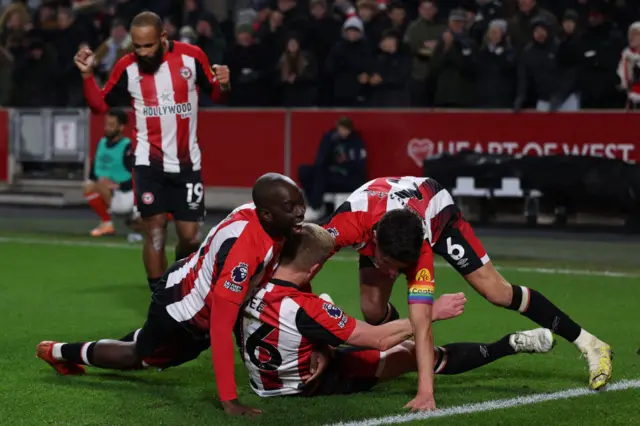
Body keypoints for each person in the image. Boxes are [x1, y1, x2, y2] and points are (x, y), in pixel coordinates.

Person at [322, 176, 612, 411]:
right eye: (386, 264)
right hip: (381, 212)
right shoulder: (344, 226)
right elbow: (301, 263)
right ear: (373, 241)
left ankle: (590, 343)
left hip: (435, 212)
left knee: (497, 292)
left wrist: (426, 391)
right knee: (372, 310)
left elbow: (422, 322)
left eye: (397, 269)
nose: (389, 273)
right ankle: (402, 349)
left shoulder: (419, 247)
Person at [36, 173, 305, 417]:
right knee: (138, 357)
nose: (301, 211)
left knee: (147, 341)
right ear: (267, 214)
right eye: (290, 207)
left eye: (300, 202)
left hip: (190, 286)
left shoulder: (264, 217)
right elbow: (220, 328)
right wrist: (230, 401)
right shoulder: (242, 255)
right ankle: (57, 351)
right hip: (181, 312)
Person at [239, 223, 555, 398]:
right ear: (311, 269)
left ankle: (324, 344)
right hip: (307, 385)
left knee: (331, 313)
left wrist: (319, 344)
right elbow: (377, 339)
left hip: (265, 380)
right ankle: (510, 344)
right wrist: (433, 312)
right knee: (417, 355)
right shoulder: (307, 308)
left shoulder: (258, 280)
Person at [74, 11, 231, 292]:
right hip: (149, 162)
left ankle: (183, 287)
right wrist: (87, 76)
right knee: (155, 232)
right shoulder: (127, 67)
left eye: (148, 45)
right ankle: (161, 300)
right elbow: (100, 106)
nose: (143, 52)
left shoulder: (192, 57)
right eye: (137, 46)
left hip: (187, 163)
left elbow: (217, 94)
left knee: (191, 237)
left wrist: (225, 83)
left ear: (162, 37)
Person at [83, 108, 143, 239]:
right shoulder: (102, 143)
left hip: (125, 193)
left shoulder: (128, 147)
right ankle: (107, 223)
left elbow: (137, 174)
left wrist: (118, 185)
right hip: (108, 193)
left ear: (121, 128)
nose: (107, 128)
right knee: (89, 185)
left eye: (111, 125)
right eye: (106, 124)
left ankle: (133, 218)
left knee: (142, 227)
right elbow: (94, 172)